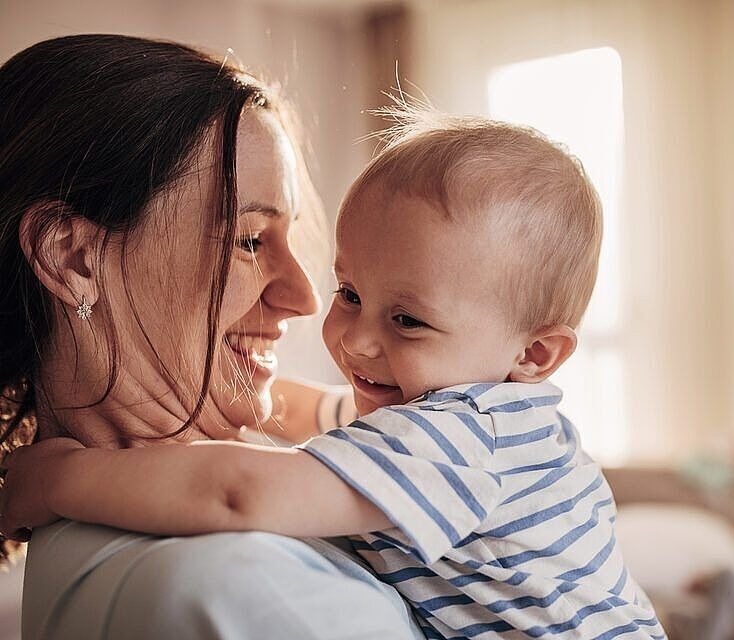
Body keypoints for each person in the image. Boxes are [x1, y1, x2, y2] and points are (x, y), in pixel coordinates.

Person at [0, 110, 666, 640]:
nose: (348, 333)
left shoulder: (460, 440)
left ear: (536, 355)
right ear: (74, 259)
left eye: (407, 320)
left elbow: (236, 493)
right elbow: (302, 411)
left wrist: (59, 477)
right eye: (350, 291)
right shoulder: (456, 417)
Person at [0, 34, 423, 639]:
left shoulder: (76, 536)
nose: (304, 298)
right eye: (249, 240)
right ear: (73, 258)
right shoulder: (234, 589)